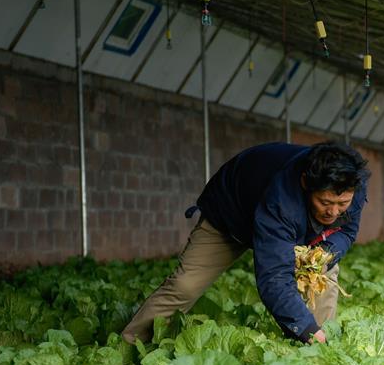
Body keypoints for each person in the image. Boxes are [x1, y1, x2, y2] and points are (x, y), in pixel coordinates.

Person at [122, 142, 370, 345]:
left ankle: (321, 348)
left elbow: (346, 231)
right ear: (306, 184)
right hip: (231, 217)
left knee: (322, 272)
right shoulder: (281, 201)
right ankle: (130, 344)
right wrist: (303, 328)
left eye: (342, 204)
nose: (333, 212)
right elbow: (274, 277)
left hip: (291, 221)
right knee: (185, 285)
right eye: (325, 202)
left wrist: (324, 253)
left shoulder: (352, 184)